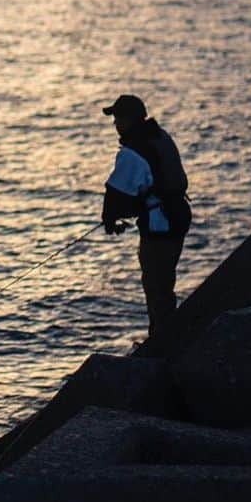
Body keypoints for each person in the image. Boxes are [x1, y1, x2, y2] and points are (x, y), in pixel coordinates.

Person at [100, 94, 192, 336]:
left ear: (129, 120)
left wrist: (110, 220)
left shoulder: (132, 152)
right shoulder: (161, 137)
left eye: (118, 118)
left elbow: (116, 193)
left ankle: (161, 340)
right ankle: (165, 333)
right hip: (178, 217)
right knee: (165, 281)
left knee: (155, 284)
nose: (115, 124)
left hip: (160, 224)